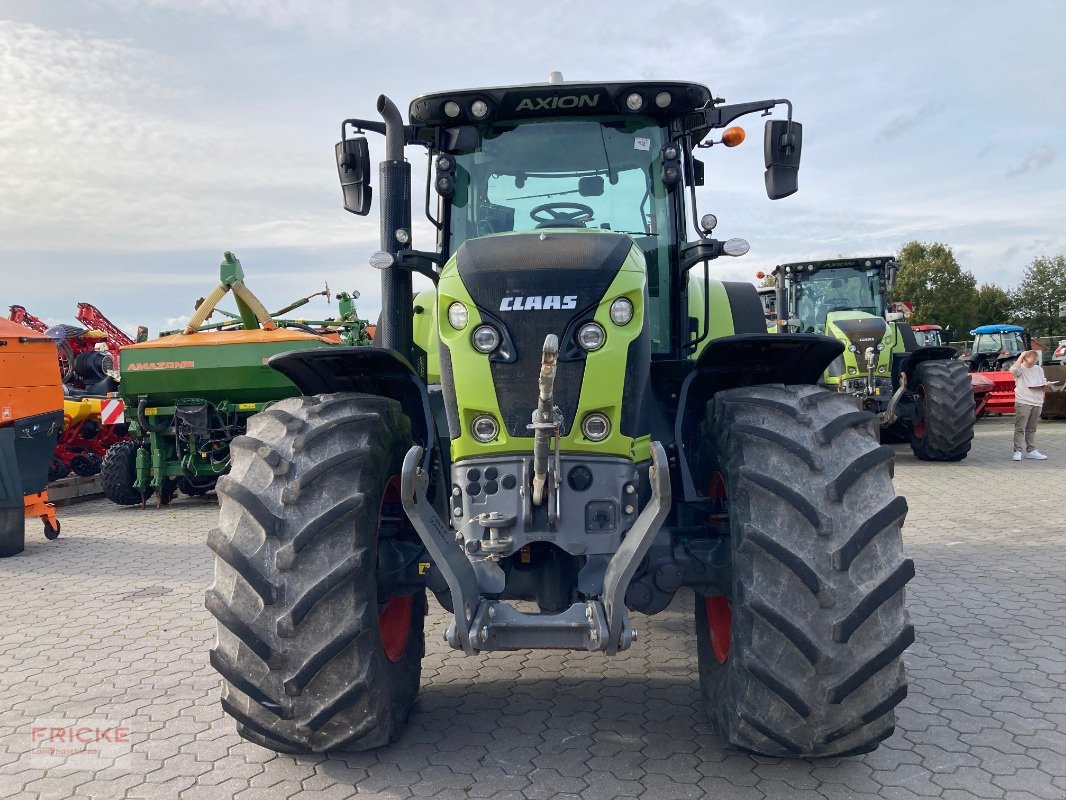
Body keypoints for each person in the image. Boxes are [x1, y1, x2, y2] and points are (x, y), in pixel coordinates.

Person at [1010, 350, 1052, 461]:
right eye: (1029, 362)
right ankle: (1017, 450)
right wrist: (1021, 356)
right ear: (1024, 359)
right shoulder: (1020, 369)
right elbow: (1013, 370)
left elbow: (1042, 384)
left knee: (1032, 428)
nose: (1031, 365)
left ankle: (1031, 450)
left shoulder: (1039, 369)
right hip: (1023, 401)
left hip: (1037, 401)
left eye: (1034, 362)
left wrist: (1045, 386)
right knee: (1020, 427)